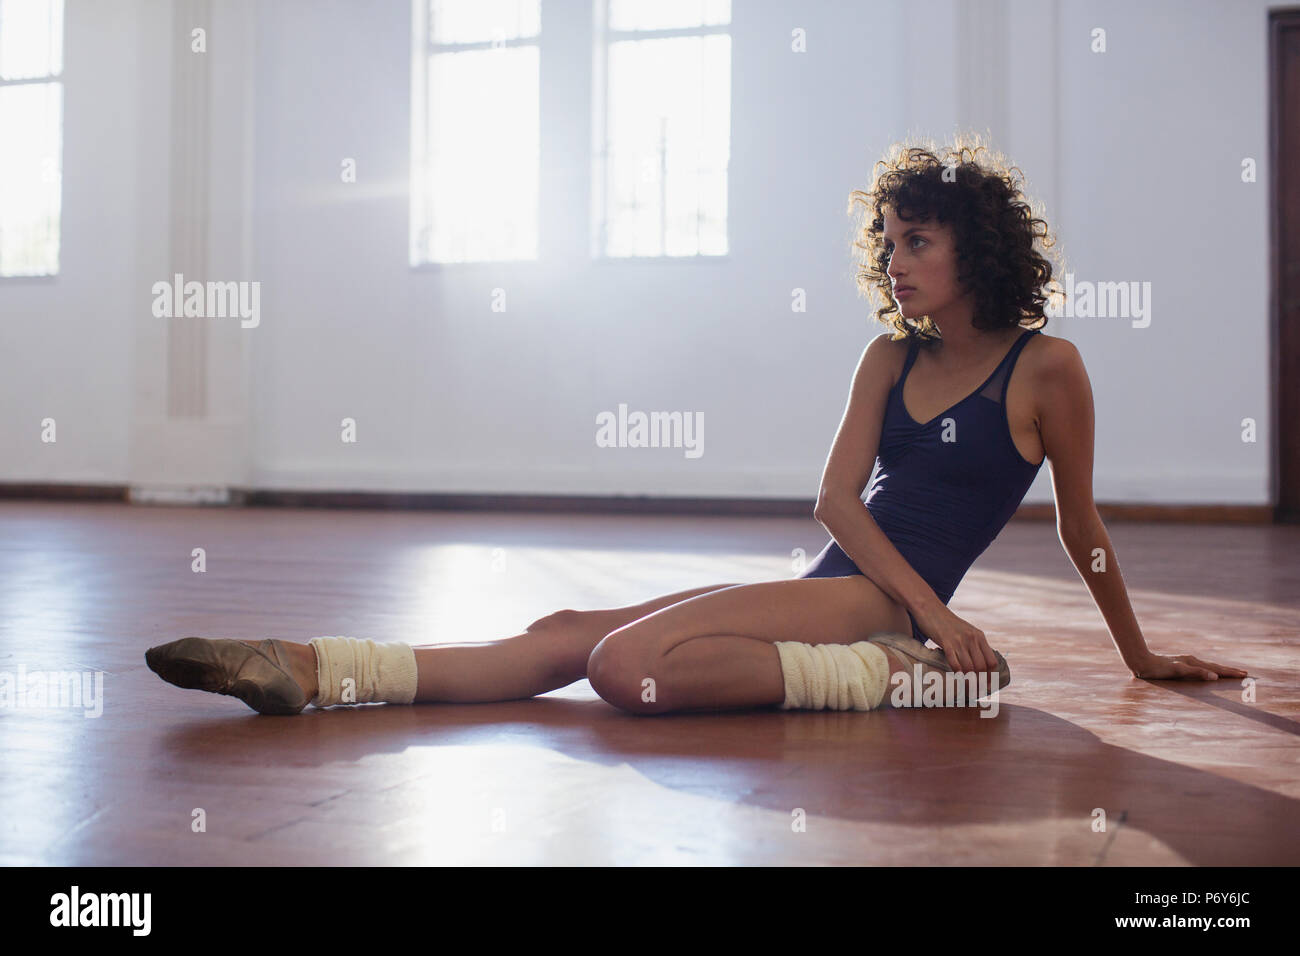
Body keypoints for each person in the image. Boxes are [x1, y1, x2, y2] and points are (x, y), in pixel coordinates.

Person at [146, 135, 1247, 717]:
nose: (894, 262)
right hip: (848, 577)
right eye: (887, 243)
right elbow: (832, 502)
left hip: (883, 601)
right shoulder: (885, 356)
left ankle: (920, 672)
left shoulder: (1045, 366)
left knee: (632, 667)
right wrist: (900, 601)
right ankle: (312, 665)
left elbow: (1080, 523)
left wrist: (1136, 654)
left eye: (914, 241)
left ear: (975, 247)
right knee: (575, 620)